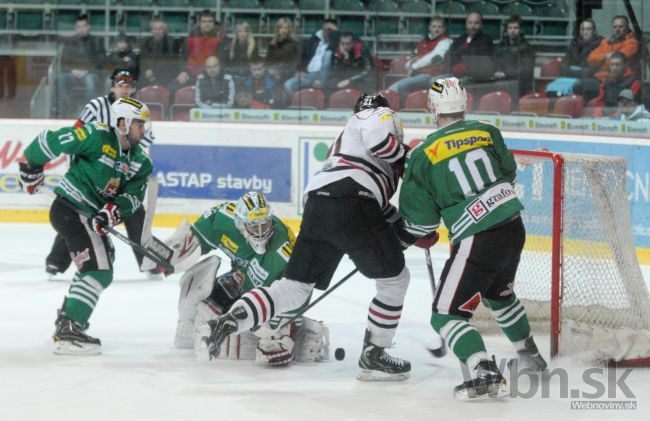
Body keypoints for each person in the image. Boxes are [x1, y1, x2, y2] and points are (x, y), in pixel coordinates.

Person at [197, 94, 419, 382]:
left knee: (294, 288)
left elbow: (371, 199)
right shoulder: (373, 115)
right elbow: (374, 149)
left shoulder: (349, 147)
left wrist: (399, 223)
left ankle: (232, 318)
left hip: (319, 204)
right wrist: (406, 155)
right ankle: (375, 354)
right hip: (351, 201)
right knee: (394, 280)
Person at [398, 77, 546, 400]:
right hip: (512, 226)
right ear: (464, 102)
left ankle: (483, 370)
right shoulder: (486, 131)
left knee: (445, 315)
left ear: (433, 109)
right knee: (500, 294)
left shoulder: (423, 154)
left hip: (477, 238)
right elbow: (507, 172)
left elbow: (420, 219)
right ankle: (531, 357)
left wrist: (423, 232)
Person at [18, 97, 153, 355]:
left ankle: (68, 317)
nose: (143, 130)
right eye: (140, 124)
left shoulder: (139, 160)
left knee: (103, 261)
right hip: (70, 210)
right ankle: (70, 329)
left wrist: (113, 212)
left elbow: (133, 197)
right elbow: (53, 139)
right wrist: (31, 164)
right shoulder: (98, 135)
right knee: (99, 269)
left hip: (88, 216)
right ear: (123, 122)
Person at [143, 191, 328, 366]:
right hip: (240, 279)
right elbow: (190, 244)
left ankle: (300, 330)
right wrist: (168, 259)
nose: (261, 232)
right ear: (240, 223)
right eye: (253, 226)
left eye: (264, 224)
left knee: (263, 336)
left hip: (265, 296)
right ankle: (188, 331)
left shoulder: (283, 249)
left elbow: (297, 290)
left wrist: (283, 330)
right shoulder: (221, 219)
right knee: (198, 298)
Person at [45, 69, 155, 279]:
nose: (124, 88)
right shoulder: (96, 106)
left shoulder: (138, 112)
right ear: (112, 86)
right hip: (94, 169)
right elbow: (78, 133)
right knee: (78, 210)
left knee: (133, 209)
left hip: (121, 171)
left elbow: (142, 144)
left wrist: (133, 169)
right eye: (119, 84)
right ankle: (56, 262)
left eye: (127, 85)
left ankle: (148, 261)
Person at [574, 15, 639, 102]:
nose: (617, 29)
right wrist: (605, 56)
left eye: (621, 26)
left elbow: (616, 61)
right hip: (601, 78)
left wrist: (602, 60)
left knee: (579, 85)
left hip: (618, 81)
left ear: (627, 27)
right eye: (615, 27)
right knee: (578, 86)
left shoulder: (632, 43)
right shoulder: (606, 41)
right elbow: (590, 59)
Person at [387, 17, 452, 103]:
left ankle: (403, 110)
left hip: (431, 76)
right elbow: (414, 57)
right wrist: (410, 64)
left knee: (399, 87)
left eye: (439, 27)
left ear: (443, 29)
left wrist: (413, 66)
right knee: (391, 89)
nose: (436, 29)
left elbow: (432, 59)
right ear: (429, 28)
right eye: (434, 26)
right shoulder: (423, 41)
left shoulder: (446, 41)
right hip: (416, 74)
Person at [56, 14, 106, 116]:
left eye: (83, 26)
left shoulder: (97, 41)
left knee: (90, 81)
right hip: (72, 74)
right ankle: (61, 112)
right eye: (79, 27)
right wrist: (72, 70)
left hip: (90, 74)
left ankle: (89, 114)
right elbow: (63, 62)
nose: (81, 29)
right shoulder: (69, 42)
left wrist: (87, 71)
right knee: (61, 78)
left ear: (88, 27)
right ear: (76, 28)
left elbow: (101, 61)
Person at [283, 19, 338, 97]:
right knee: (288, 85)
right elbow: (302, 55)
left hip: (325, 76)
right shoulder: (315, 42)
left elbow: (348, 40)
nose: (327, 32)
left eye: (330, 30)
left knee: (327, 54)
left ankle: (320, 82)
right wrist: (299, 70)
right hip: (309, 75)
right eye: (325, 29)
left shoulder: (337, 43)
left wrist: (336, 33)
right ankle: (297, 103)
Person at [177, 10, 225, 88]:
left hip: (211, 77)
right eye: (204, 21)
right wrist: (183, 72)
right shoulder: (191, 38)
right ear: (199, 23)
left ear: (214, 23)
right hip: (190, 76)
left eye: (210, 21)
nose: (207, 24)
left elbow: (223, 61)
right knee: (173, 87)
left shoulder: (221, 39)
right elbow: (182, 57)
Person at [444, 12, 495, 83]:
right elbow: (448, 55)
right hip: (454, 74)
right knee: (435, 82)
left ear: (481, 25)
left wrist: (460, 52)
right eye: (470, 23)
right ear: (466, 24)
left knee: (452, 85)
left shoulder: (486, 40)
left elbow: (477, 58)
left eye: (476, 23)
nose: (473, 26)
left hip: (472, 76)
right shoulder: (460, 39)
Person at [492, 15, 534, 97]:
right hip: (500, 80)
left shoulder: (526, 48)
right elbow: (494, 62)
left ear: (521, 30)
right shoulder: (500, 46)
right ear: (507, 30)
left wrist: (505, 74)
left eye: (515, 28)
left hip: (518, 83)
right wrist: (497, 72)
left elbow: (526, 71)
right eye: (510, 28)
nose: (512, 31)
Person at [139, 17, 184, 90]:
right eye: (155, 29)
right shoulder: (145, 43)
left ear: (164, 30)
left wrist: (153, 72)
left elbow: (171, 64)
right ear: (151, 30)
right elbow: (142, 61)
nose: (158, 31)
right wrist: (146, 69)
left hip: (167, 77)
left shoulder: (172, 42)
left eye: (160, 28)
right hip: (149, 78)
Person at [593, 52, 641, 118]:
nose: (614, 68)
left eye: (618, 65)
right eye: (612, 65)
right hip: (606, 119)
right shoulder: (605, 82)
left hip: (626, 119)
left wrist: (611, 118)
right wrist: (597, 117)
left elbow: (629, 106)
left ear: (625, 65)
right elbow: (599, 104)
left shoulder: (634, 82)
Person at [265, 17, 299, 84]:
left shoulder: (294, 43)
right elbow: (268, 61)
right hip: (274, 71)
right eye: (281, 28)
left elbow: (296, 62)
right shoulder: (272, 44)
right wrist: (271, 70)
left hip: (288, 72)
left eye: (286, 28)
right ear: (277, 29)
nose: (283, 30)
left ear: (289, 29)